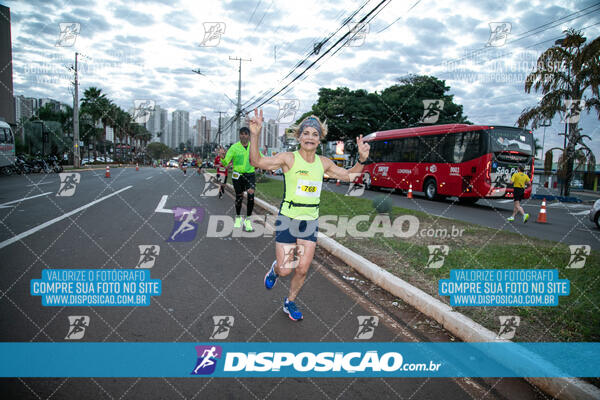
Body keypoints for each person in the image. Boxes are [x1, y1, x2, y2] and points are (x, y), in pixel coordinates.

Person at [248, 109, 370, 321]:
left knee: (302, 269)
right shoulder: (288, 159)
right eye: (306, 133)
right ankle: (274, 271)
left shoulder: (324, 163)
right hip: (288, 218)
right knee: (286, 270)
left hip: (309, 221)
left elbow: (351, 176)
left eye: (315, 134)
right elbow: (257, 162)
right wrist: (255, 134)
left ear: (319, 139)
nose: (310, 137)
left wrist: (361, 159)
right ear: (299, 136)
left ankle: (290, 302)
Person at [222, 127, 257, 231]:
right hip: (237, 175)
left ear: (249, 136)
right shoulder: (234, 147)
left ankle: (248, 220)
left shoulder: (253, 147)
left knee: (251, 196)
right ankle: (238, 218)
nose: (243, 136)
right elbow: (226, 161)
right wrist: (223, 158)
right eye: (241, 134)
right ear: (239, 135)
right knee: (239, 197)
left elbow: (261, 158)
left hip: (250, 175)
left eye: (246, 134)